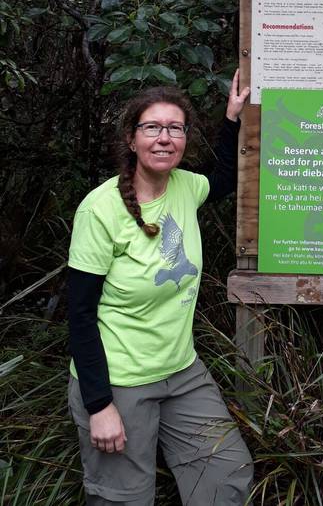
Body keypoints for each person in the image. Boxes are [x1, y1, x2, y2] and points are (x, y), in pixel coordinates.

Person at [67, 71, 253, 506]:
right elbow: (79, 315)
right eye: (152, 127)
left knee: (226, 477)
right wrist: (99, 405)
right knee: (124, 500)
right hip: (119, 382)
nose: (164, 138)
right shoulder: (100, 210)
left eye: (175, 128)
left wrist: (231, 119)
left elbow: (224, 179)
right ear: (131, 139)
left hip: (182, 373)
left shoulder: (186, 187)